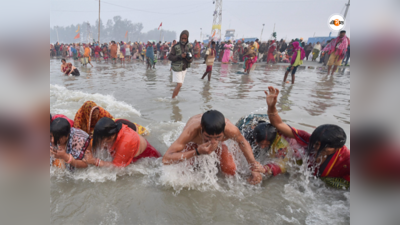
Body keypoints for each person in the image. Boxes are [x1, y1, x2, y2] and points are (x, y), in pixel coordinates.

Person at [258, 87, 350, 189]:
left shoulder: (348, 159)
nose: (315, 147)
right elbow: (278, 124)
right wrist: (271, 107)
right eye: (315, 143)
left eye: (322, 147)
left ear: (337, 148)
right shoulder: (311, 140)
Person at [162, 110, 264, 184]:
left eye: (218, 137)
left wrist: (253, 167)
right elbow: (166, 159)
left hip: (218, 145)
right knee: (183, 172)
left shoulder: (231, 130)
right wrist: (197, 151)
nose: (212, 142)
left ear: (223, 131)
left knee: (230, 170)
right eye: (208, 137)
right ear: (201, 129)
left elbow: (243, 143)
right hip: (193, 145)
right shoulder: (191, 131)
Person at [83, 117, 161, 167]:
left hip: (151, 160)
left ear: (110, 138)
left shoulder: (126, 142)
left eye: (102, 141)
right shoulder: (113, 128)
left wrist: (94, 161)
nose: (101, 143)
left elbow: (117, 168)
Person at [168, 30, 193, 99]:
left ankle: (174, 98)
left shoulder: (189, 46)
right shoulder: (175, 47)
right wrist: (180, 56)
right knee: (179, 84)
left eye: (185, 39)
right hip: (177, 68)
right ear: (180, 37)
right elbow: (170, 57)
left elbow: (191, 59)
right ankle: (173, 100)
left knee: (180, 85)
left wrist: (188, 58)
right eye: (182, 38)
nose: (183, 40)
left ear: (187, 38)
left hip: (184, 68)